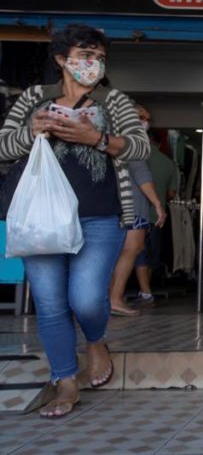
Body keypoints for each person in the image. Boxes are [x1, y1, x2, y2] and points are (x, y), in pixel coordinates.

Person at [0, 24, 149, 417]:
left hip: (99, 216)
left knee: (85, 298)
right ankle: (65, 381)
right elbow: (2, 147)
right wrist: (32, 133)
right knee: (49, 305)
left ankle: (95, 339)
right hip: (40, 220)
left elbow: (139, 145)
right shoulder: (34, 98)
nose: (93, 64)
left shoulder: (113, 101)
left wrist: (95, 139)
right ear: (62, 59)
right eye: (85, 56)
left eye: (99, 57)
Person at [109, 106, 167, 316]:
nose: (146, 123)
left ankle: (110, 297)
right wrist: (158, 204)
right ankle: (115, 297)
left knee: (112, 253)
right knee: (133, 248)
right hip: (132, 204)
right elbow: (141, 174)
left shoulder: (111, 138)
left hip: (114, 204)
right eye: (143, 118)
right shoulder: (133, 141)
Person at [132, 118, 177, 308]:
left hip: (135, 210)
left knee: (134, 253)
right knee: (151, 256)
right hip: (157, 215)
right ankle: (146, 290)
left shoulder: (134, 155)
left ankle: (140, 292)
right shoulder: (168, 163)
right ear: (159, 142)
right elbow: (172, 193)